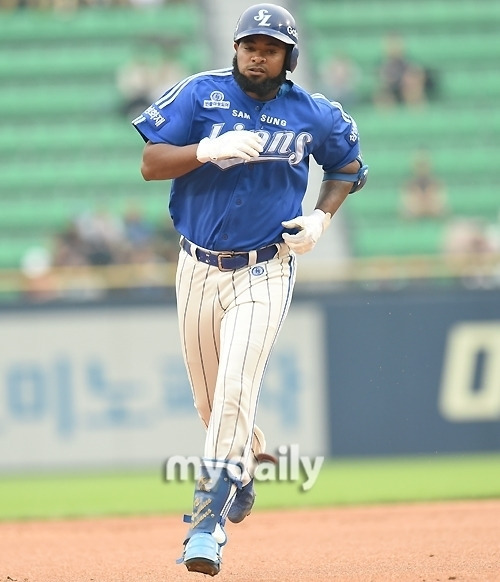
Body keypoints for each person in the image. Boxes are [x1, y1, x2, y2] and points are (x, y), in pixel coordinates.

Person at [132, 3, 368, 576]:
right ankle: (244, 458)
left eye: (270, 48)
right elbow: (149, 162)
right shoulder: (200, 94)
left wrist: (321, 219)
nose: (257, 55)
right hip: (196, 266)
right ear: (234, 48)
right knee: (212, 402)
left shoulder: (315, 113)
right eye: (248, 45)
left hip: (265, 268)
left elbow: (349, 167)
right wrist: (202, 151)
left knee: (235, 387)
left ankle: (205, 529)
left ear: (289, 57)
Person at [400, 148, 448, 219]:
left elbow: (443, 211)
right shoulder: (409, 186)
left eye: (424, 164)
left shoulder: (436, 185)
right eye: (419, 164)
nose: (422, 168)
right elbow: (405, 214)